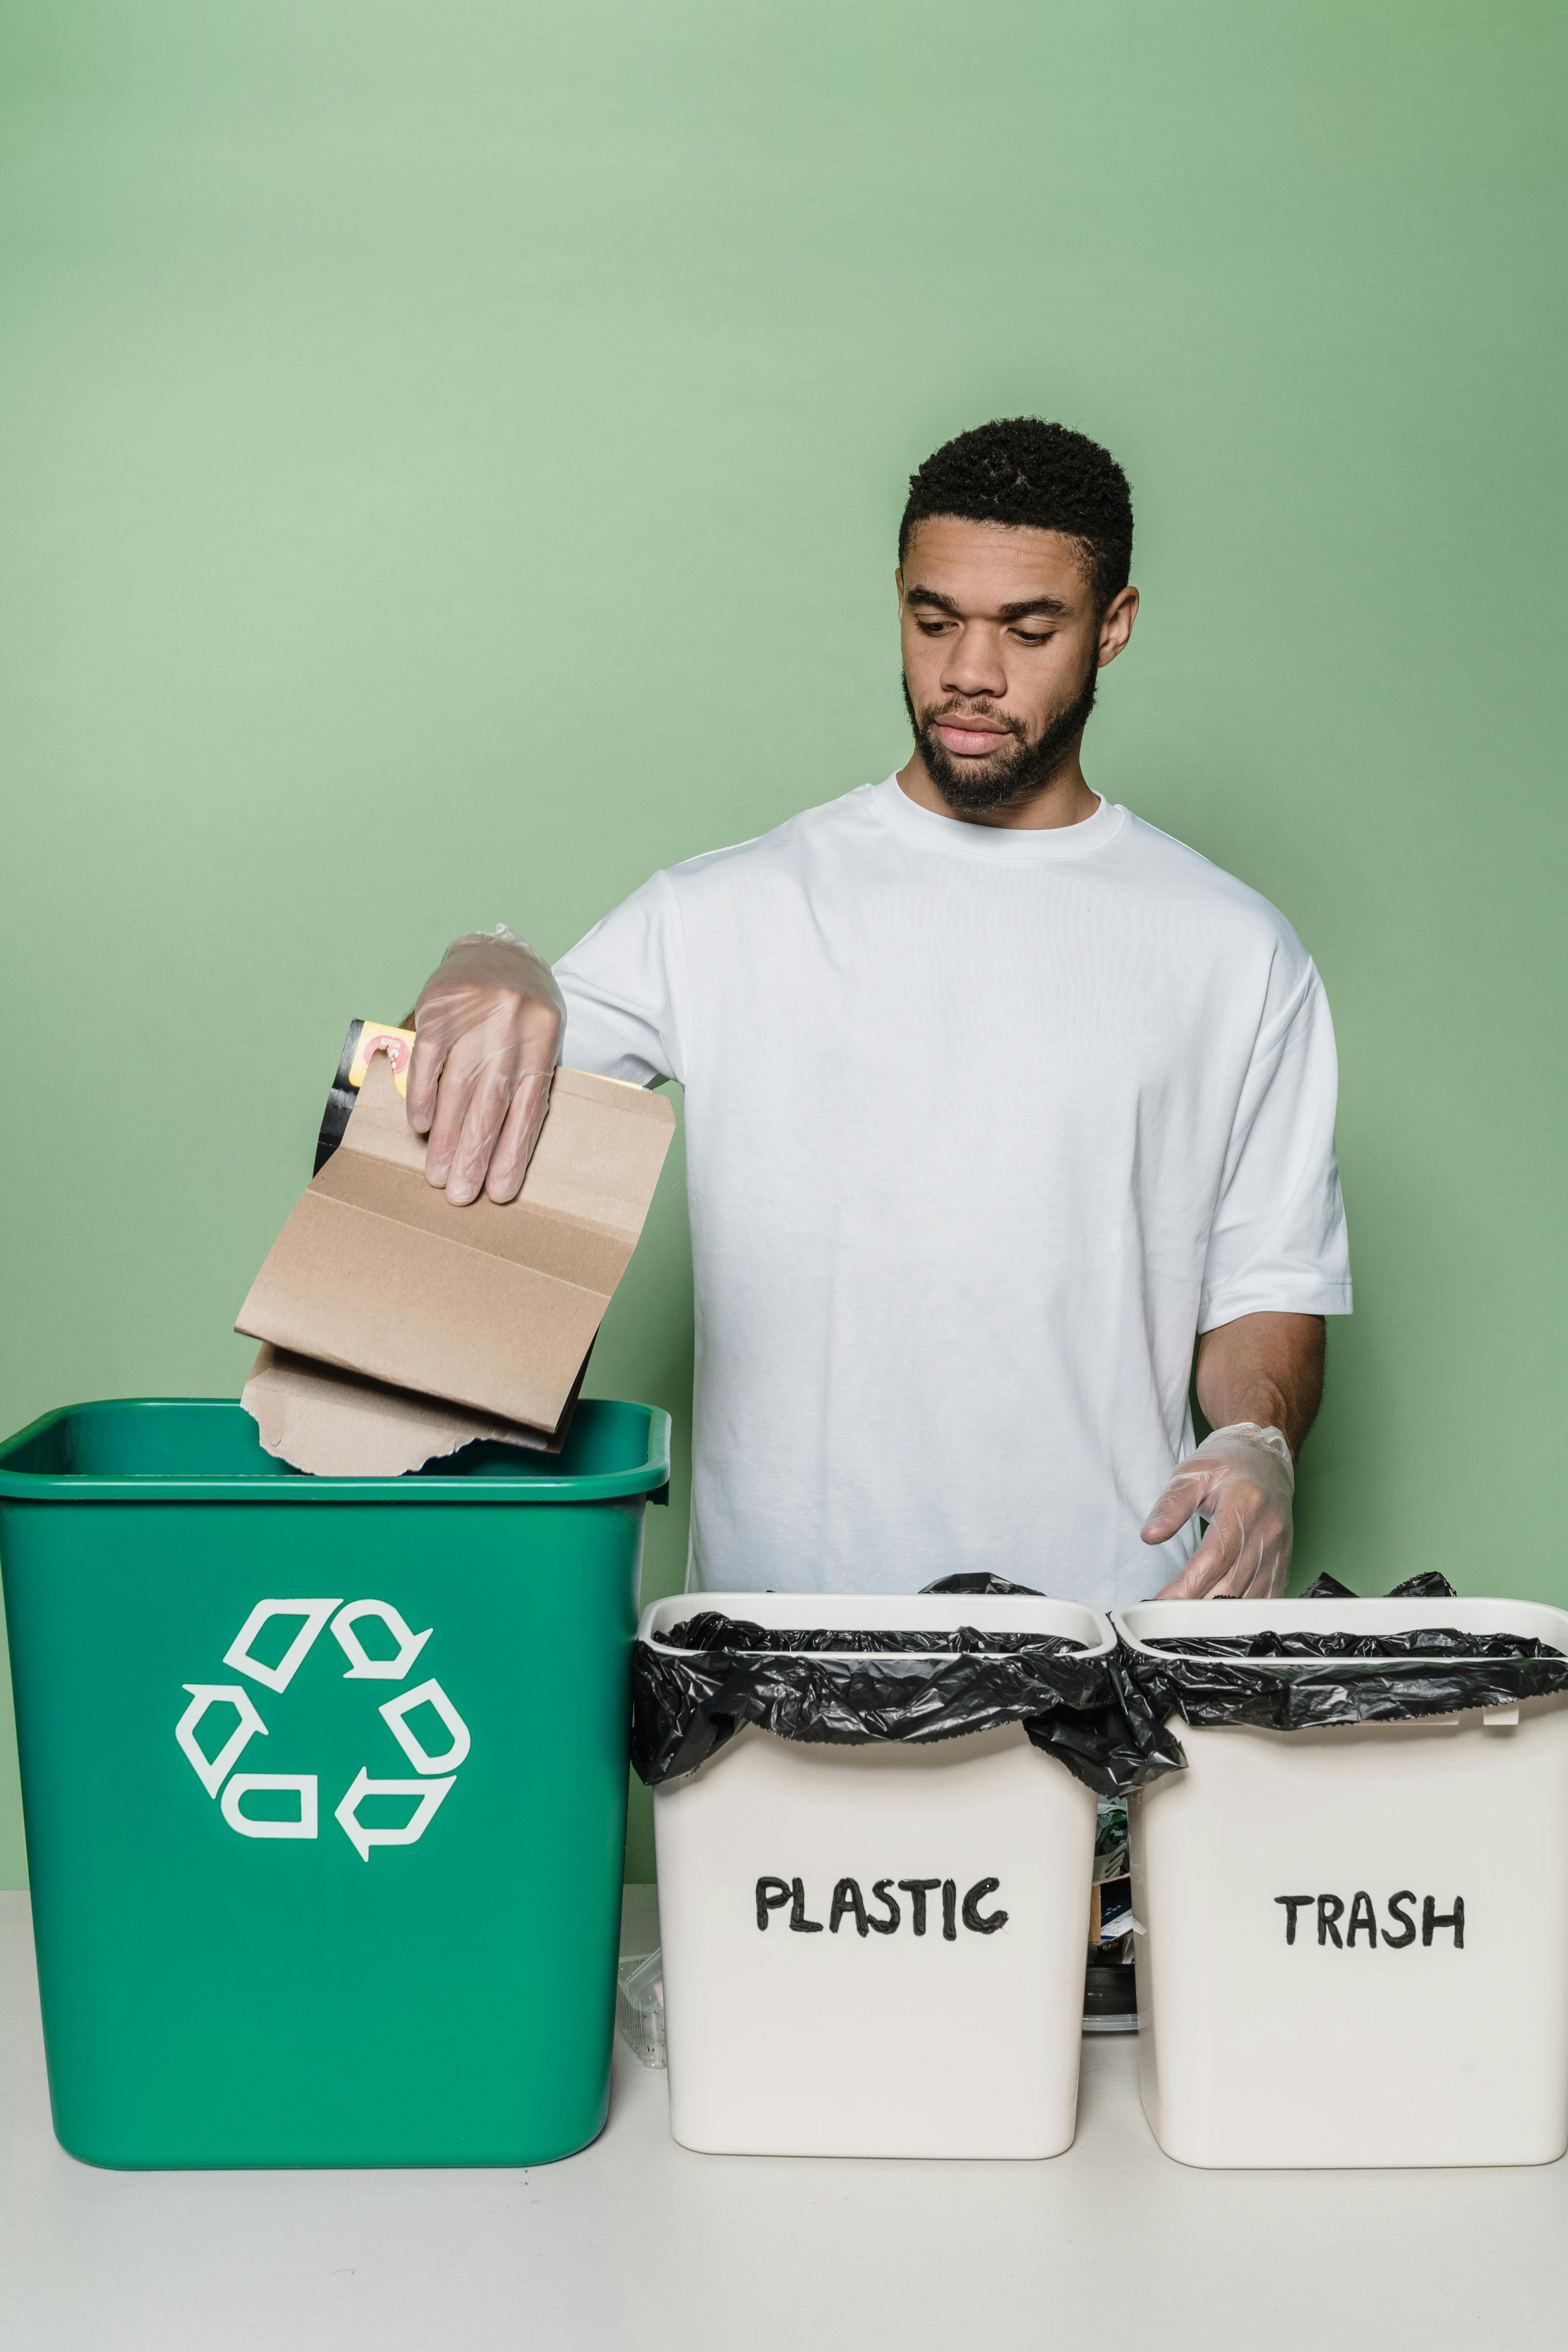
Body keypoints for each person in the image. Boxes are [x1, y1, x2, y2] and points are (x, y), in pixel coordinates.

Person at [403, 418, 1350, 1606]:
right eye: (934, 618)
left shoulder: (1235, 950)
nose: (971, 674)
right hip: (774, 1651)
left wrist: (1258, 1443)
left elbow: (1270, 1283)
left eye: (1030, 629)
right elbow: (427, 1141)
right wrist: (486, 962)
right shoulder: (725, 912)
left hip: (1106, 1642)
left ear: (1113, 626)